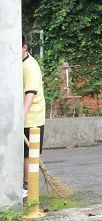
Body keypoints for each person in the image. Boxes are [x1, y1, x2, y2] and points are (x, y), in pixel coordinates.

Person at [22, 33, 46, 199]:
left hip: (32, 115)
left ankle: (27, 186)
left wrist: (22, 115)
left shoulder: (30, 66)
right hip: (23, 113)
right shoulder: (16, 63)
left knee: (27, 153)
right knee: (24, 151)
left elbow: (31, 92)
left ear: (24, 47)